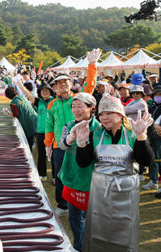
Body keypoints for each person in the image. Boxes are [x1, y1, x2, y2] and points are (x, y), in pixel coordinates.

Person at [75, 94, 154, 252]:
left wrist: (141, 137)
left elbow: (146, 161)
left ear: (120, 114)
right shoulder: (96, 134)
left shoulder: (132, 134)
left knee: (124, 231)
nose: (104, 118)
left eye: (109, 113)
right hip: (100, 193)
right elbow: (83, 163)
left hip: (126, 194)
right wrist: (81, 144)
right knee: (98, 228)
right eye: (101, 114)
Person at [44, 49, 99, 216]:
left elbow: (90, 85)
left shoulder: (78, 99)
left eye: (65, 82)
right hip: (60, 144)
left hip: (82, 143)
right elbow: (49, 125)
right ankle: (62, 205)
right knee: (61, 175)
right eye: (59, 83)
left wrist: (92, 65)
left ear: (70, 83)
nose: (62, 85)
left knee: (81, 174)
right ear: (55, 87)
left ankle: (81, 206)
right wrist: (48, 145)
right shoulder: (52, 103)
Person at [58, 93, 99, 252]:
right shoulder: (68, 125)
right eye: (74, 107)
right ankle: (79, 248)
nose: (76, 110)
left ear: (91, 108)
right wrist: (70, 138)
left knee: (92, 218)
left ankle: (91, 247)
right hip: (72, 176)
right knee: (74, 217)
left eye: (80, 106)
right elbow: (61, 145)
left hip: (92, 178)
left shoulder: (99, 128)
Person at [15, 81, 54, 179]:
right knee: (41, 154)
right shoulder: (38, 101)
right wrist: (20, 86)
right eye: (43, 91)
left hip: (53, 132)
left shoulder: (54, 101)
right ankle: (42, 174)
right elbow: (28, 94)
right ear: (40, 93)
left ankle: (55, 177)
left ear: (50, 91)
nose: (45, 92)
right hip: (40, 132)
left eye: (47, 91)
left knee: (54, 155)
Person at [145, 85, 161, 191]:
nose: (158, 97)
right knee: (152, 159)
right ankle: (153, 180)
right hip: (151, 136)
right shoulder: (153, 107)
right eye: (157, 94)